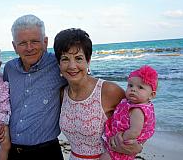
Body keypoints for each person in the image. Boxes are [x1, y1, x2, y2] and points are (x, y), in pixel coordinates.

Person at [0, 14, 67, 160]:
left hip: (47, 152)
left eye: (35, 41)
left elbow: (83, 84)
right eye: (22, 43)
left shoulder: (59, 65)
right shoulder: (10, 68)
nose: (29, 48)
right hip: (13, 151)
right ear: (14, 47)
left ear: (45, 42)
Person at [53, 28, 143, 160]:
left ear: (88, 61)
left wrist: (139, 145)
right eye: (65, 59)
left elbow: (142, 113)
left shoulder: (108, 90)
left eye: (78, 58)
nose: (72, 66)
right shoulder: (63, 94)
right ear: (59, 63)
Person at [100, 65, 158, 160]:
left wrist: (118, 139)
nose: (133, 89)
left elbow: (134, 132)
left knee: (104, 158)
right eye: (130, 85)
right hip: (120, 144)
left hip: (121, 145)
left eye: (140, 87)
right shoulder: (130, 103)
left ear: (152, 95)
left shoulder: (138, 110)